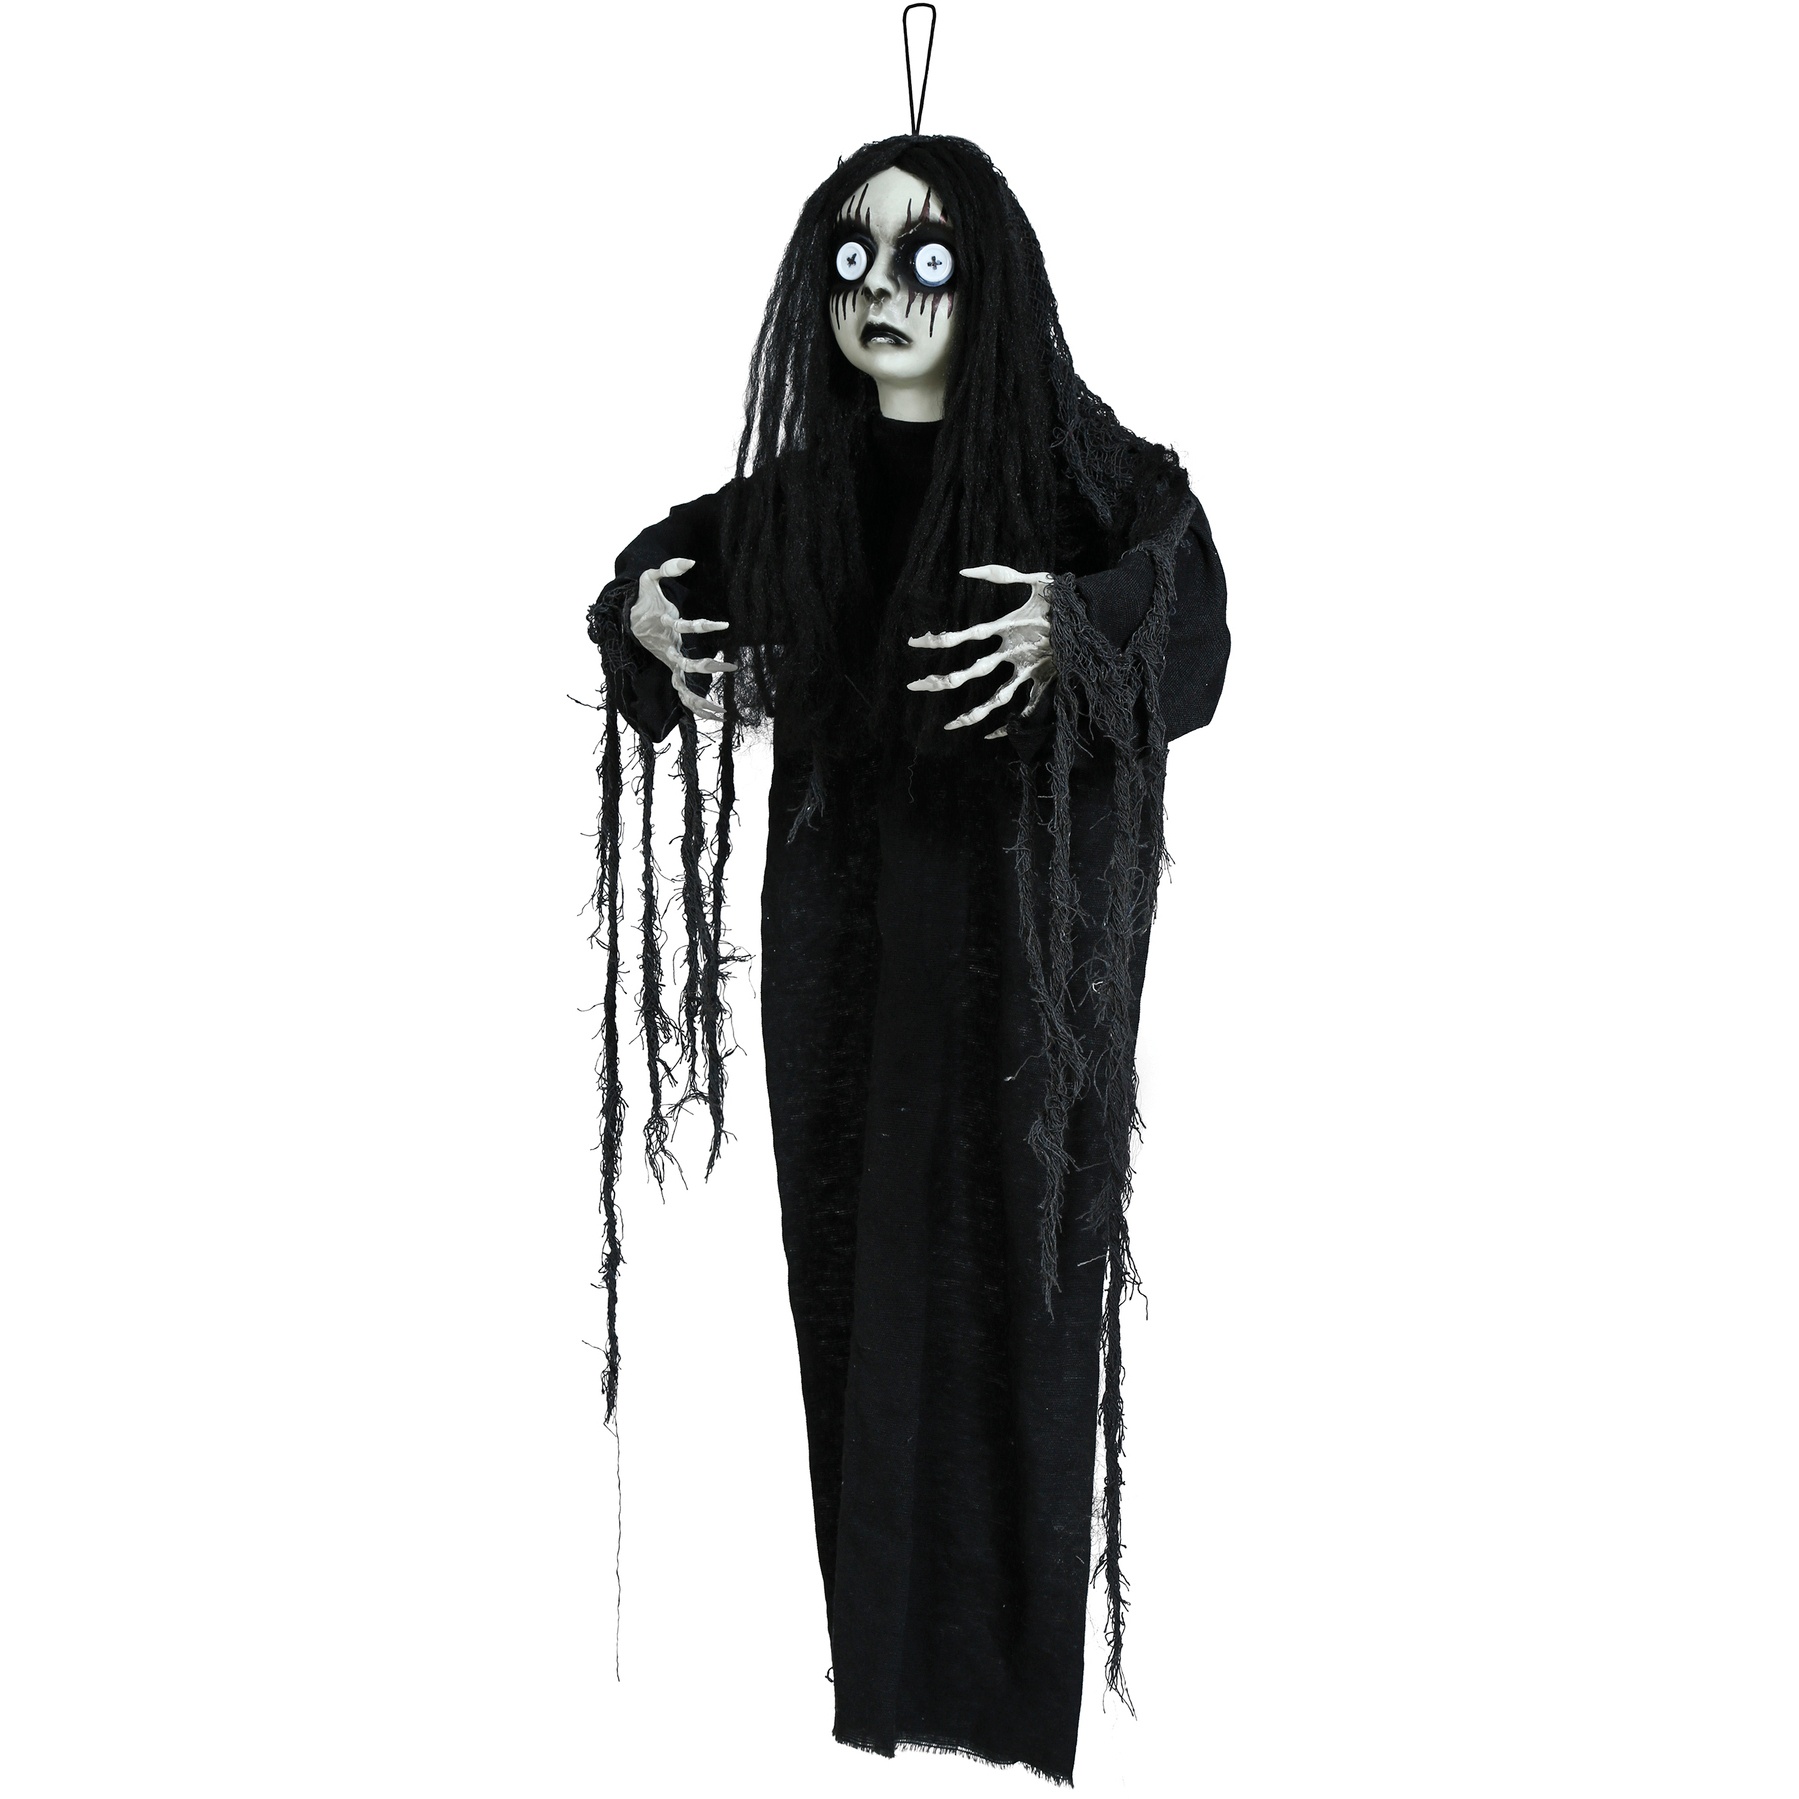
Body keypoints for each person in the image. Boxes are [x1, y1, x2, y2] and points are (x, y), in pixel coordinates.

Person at [586, 132, 1229, 1784]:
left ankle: (1003, 1700)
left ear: (985, 277)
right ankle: (885, 1678)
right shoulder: (808, 494)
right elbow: (658, 573)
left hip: (1025, 977)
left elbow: (1191, 609)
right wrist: (644, 617)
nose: (884, 292)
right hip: (848, 976)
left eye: (925, 257)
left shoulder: (1084, 471)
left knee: (1023, 1286)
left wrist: (1080, 626)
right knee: (859, 1285)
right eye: (855, 261)